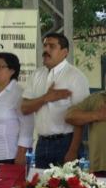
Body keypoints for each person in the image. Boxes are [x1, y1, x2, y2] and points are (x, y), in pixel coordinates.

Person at [21, 33, 89, 168]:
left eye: (52, 46)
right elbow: (24, 108)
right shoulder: (36, 74)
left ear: (64, 52)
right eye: (45, 46)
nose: (46, 50)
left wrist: (73, 150)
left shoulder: (75, 77)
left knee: (65, 182)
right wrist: (45, 98)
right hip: (42, 143)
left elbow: (81, 119)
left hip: (66, 143)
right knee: (40, 182)